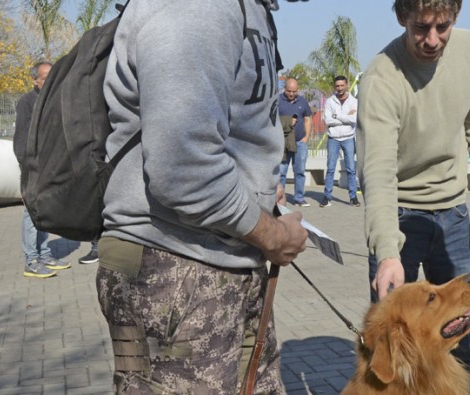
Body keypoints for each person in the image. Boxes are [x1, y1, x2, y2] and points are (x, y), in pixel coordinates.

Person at [97, 1, 309, 393]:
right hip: (171, 270)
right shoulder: (198, 6)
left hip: (220, 260)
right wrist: (275, 236)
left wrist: (257, 187)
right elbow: (182, 168)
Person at [357, 0, 470, 370]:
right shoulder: (381, 78)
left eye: (443, 26)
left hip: (453, 213)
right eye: (421, 27)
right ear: (401, 18)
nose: (433, 39)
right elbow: (377, 173)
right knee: (389, 346)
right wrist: (388, 252)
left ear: (455, 17)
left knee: (460, 340)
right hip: (400, 214)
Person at [14, 61, 71, 278]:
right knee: (31, 213)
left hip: (50, 167)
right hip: (33, 168)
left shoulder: (52, 100)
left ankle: (44, 254)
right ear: (35, 80)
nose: (49, 81)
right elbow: (20, 141)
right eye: (45, 77)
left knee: (44, 212)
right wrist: (27, 171)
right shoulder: (26, 102)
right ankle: (31, 260)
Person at [321, 75, 360, 208]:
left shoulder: (354, 101)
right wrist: (346, 117)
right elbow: (328, 120)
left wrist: (337, 116)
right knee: (330, 168)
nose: (340, 88)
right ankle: (327, 197)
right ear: (334, 87)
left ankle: (353, 197)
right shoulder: (330, 102)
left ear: (347, 85)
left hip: (349, 137)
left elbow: (355, 119)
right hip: (333, 138)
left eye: (342, 85)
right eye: (337, 86)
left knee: (351, 169)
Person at [279, 78, 314, 207]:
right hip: (283, 142)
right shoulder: (278, 101)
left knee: (299, 171)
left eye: (294, 91)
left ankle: (299, 197)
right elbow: (272, 119)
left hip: (300, 142)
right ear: (284, 88)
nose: (291, 94)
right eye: (289, 91)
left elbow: (307, 119)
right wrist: (287, 121)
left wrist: (306, 137)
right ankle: (280, 198)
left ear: (297, 89)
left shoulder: (303, 101)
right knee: (281, 172)